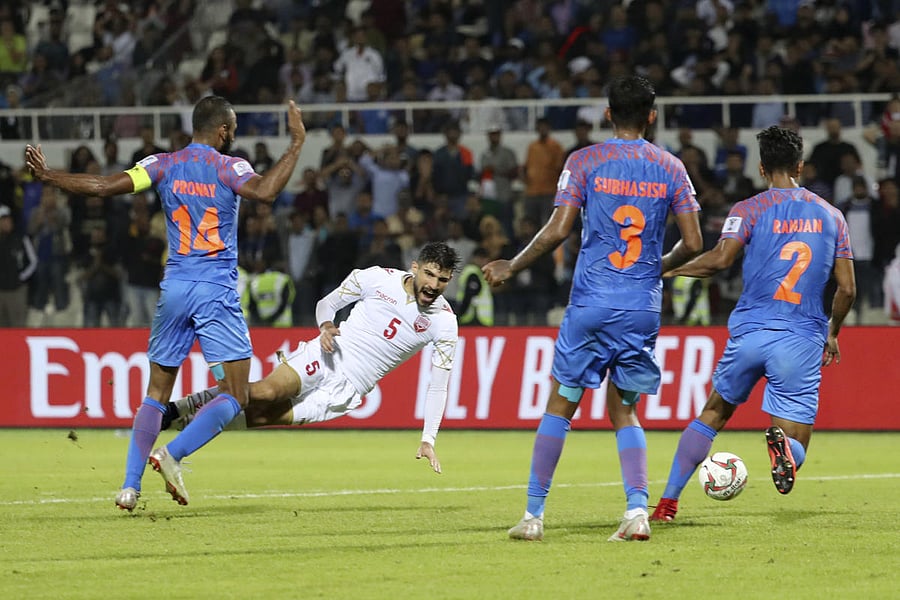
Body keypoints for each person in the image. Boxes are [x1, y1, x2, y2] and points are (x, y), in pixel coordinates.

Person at [25, 96, 307, 511]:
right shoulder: (230, 167)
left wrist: (49, 176)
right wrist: (296, 143)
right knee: (235, 395)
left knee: (156, 394)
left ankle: (128, 486)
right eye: (234, 130)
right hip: (215, 290)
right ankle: (172, 454)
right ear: (224, 131)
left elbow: (103, 187)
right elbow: (265, 192)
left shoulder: (161, 164)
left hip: (174, 288)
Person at [482, 75, 703, 542]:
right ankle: (637, 511)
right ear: (651, 115)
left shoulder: (584, 161)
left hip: (590, 303)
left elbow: (559, 230)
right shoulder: (671, 167)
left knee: (561, 406)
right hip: (639, 307)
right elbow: (696, 242)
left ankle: (533, 517)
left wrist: (513, 265)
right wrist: (655, 267)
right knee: (624, 411)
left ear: (607, 114)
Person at [650, 126, 856, 523]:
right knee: (796, 443)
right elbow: (847, 288)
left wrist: (668, 271)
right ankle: (785, 451)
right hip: (800, 338)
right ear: (800, 166)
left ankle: (667, 503)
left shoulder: (746, 209)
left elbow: (718, 261)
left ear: (761, 167)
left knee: (712, 412)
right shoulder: (833, 216)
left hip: (750, 332)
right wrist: (833, 332)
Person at [161, 242, 461, 475]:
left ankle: (178, 432)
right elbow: (327, 303)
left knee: (261, 417)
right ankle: (177, 409)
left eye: (442, 280)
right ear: (415, 267)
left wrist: (428, 439)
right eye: (429, 274)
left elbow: (438, 386)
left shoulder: (445, 322)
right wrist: (327, 325)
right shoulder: (376, 279)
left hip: (348, 390)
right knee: (267, 391)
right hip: (328, 354)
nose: (433, 285)